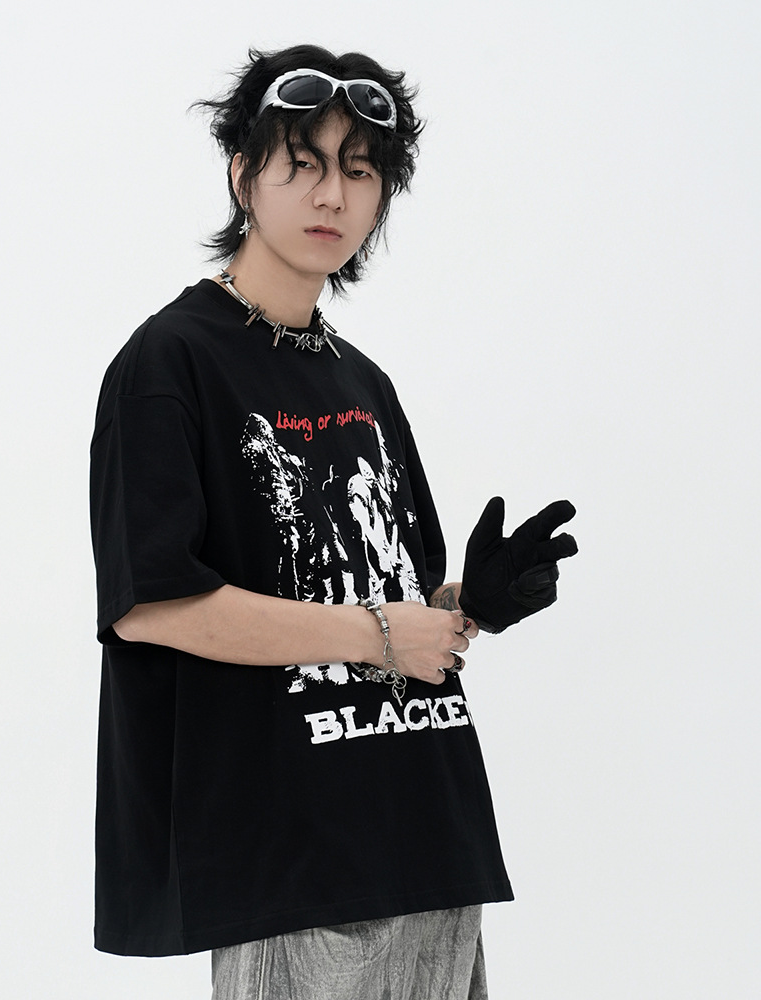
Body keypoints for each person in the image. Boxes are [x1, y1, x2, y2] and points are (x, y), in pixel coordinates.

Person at [89, 44, 577, 1000]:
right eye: (303, 162)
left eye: (360, 170)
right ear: (243, 174)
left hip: (429, 837)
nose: (332, 195)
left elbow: (387, 606)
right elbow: (152, 603)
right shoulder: (169, 364)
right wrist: (381, 632)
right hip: (288, 861)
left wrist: (469, 605)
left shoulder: (363, 381)